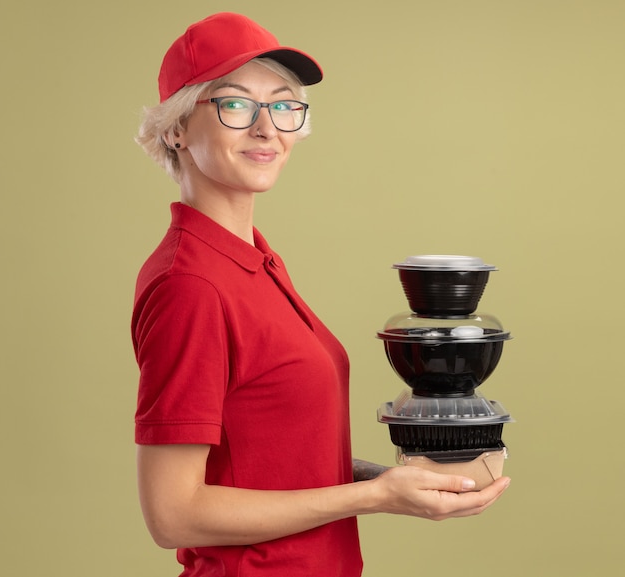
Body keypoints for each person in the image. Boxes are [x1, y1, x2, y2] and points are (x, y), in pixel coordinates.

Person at [131, 12, 511, 577]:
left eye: (283, 105)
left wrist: (387, 481)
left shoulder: (253, 261)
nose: (267, 129)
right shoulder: (192, 284)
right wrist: (376, 498)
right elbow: (175, 513)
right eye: (235, 104)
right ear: (176, 128)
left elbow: (271, 463)